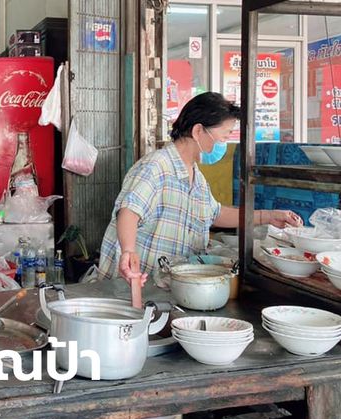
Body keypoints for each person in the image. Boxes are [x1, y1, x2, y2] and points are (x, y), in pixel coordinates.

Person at [98, 92, 303, 288]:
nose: (224, 144)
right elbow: (129, 211)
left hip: (166, 287)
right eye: (223, 137)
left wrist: (267, 216)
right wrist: (128, 251)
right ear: (198, 131)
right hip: (133, 284)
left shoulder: (197, 177)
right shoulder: (156, 167)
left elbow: (215, 214)